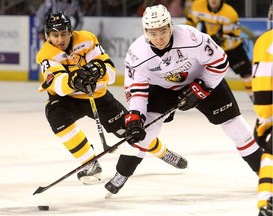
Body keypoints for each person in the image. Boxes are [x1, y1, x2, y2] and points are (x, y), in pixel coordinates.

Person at [104, 4, 263, 196]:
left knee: (234, 126)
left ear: (171, 26)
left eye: (163, 31)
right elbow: (137, 89)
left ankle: (264, 173)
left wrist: (203, 87)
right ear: (145, 32)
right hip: (162, 90)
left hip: (202, 80)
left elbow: (220, 62)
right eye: (153, 33)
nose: (159, 38)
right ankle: (122, 173)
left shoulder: (191, 37)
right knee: (143, 132)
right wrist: (136, 116)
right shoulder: (137, 54)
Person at [35, 12, 188, 184]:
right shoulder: (45, 54)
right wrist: (74, 80)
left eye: (63, 34)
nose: (60, 39)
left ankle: (161, 151)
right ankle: (89, 163)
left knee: (130, 131)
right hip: (67, 100)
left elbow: (110, 72)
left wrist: (97, 71)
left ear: (70, 31)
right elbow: (58, 84)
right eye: (55, 35)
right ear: (48, 36)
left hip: (98, 97)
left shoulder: (86, 39)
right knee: (56, 117)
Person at [186, 0, 254, 102]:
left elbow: (235, 34)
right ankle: (200, 98)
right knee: (202, 73)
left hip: (232, 48)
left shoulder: (230, 13)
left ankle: (255, 98)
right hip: (211, 47)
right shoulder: (198, 5)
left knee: (247, 74)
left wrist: (221, 39)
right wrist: (188, 35)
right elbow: (191, 22)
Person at [253, 4, 273, 216]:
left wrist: (264, 124)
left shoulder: (267, 41)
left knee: (270, 153)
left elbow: (264, 90)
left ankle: (266, 202)